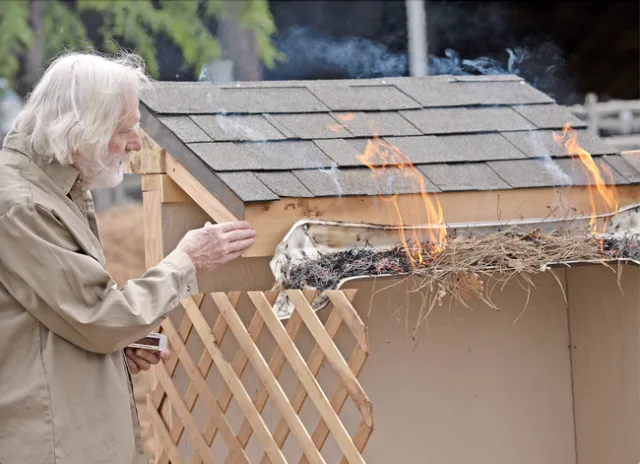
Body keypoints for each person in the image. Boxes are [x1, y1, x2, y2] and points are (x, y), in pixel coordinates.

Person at [0, 51, 256, 464]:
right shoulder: (23, 206)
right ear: (80, 131)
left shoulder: (53, 189)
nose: (136, 144)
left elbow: (52, 318)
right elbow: (100, 317)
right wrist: (186, 261)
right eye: (125, 130)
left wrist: (118, 350)